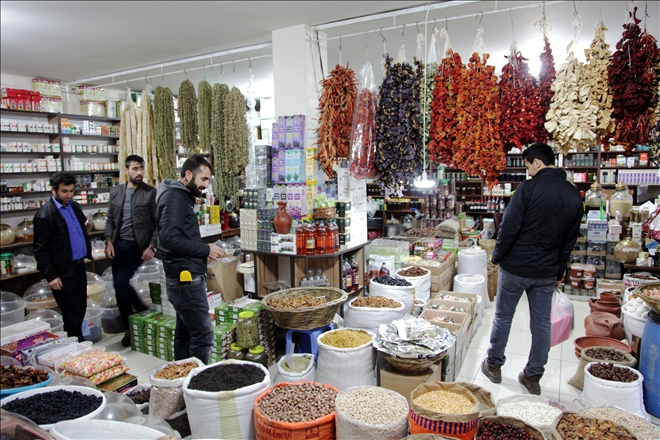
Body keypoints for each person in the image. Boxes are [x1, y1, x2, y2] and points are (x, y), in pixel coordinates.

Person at [481, 142, 583, 395]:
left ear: (537, 162)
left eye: (528, 166)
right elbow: (569, 241)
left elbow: (509, 228)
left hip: (515, 267)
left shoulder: (528, 188)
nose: (527, 172)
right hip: (546, 271)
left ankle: (493, 365)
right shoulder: (574, 195)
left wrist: (497, 256)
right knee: (541, 323)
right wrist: (559, 271)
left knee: (504, 317)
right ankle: (533, 375)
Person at [156, 154, 224, 364]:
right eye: (203, 179)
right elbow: (169, 238)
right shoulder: (175, 198)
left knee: (184, 332)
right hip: (185, 279)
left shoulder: (177, 195)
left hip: (183, 275)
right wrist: (204, 250)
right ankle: (197, 384)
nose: (205, 185)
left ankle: (182, 380)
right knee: (203, 336)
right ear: (188, 175)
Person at [104, 155, 158, 347]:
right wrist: (108, 241)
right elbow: (110, 219)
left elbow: (158, 223)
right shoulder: (116, 192)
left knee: (120, 281)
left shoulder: (150, 193)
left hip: (138, 246)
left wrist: (152, 246)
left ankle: (144, 312)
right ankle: (130, 330)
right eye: (135, 169)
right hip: (119, 245)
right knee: (119, 290)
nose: (139, 172)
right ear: (126, 170)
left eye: (142, 168)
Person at [33, 172, 92, 342]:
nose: (69, 195)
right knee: (71, 311)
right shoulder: (45, 215)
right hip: (63, 270)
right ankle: (77, 346)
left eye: (72, 191)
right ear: (53, 190)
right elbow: (40, 249)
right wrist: (51, 275)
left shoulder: (74, 207)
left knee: (80, 307)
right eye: (64, 191)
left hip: (79, 266)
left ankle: (76, 342)